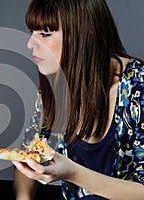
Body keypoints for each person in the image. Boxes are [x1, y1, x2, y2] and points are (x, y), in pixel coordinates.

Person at [13, 0, 144, 199]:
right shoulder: (55, 86)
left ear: (85, 34)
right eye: (32, 32)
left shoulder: (138, 87)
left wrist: (72, 173)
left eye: (45, 34)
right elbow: (27, 154)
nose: (30, 44)